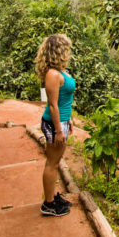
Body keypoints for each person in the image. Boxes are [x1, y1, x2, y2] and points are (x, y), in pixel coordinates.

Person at [35, 33, 76, 217]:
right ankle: (48, 204)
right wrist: (59, 130)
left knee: (56, 161)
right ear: (59, 51)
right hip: (53, 125)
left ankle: (52, 196)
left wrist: (69, 120)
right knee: (52, 163)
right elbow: (53, 105)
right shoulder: (52, 74)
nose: (68, 52)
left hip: (62, 122)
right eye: (66, 48)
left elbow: (64, 100)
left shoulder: (60, 72)